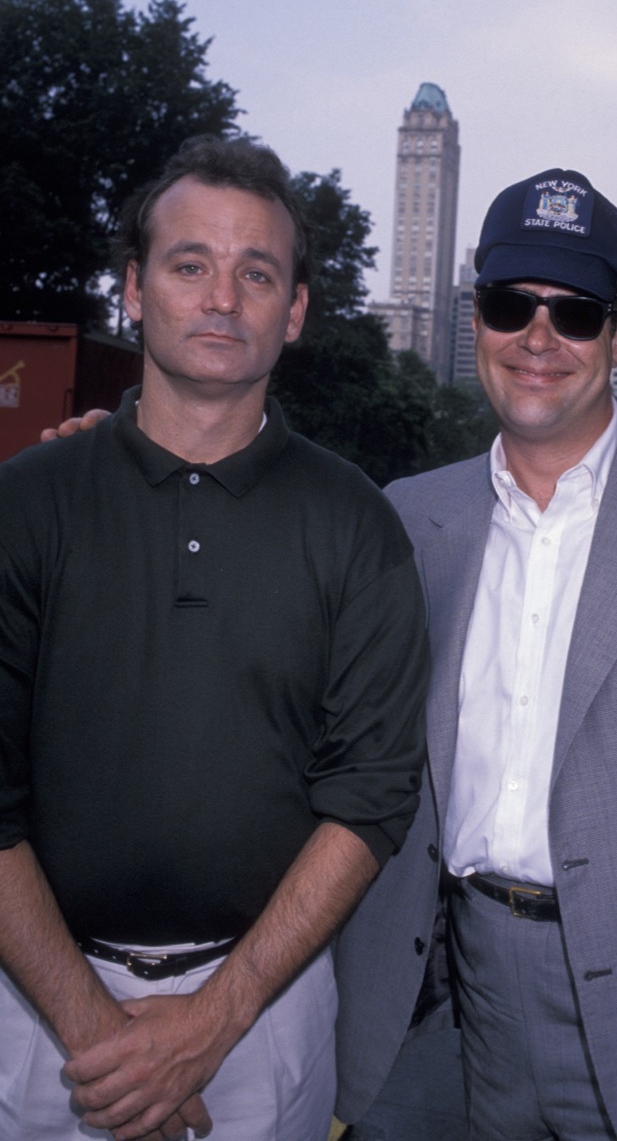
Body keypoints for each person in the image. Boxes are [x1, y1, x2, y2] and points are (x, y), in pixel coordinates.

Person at [343, 167, 617, 1140]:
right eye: (513, 305)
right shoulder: (409, 518)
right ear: (476, 318)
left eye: (575, 313)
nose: (538, 339)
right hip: (470, 999)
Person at [0, 135, 428, 1141]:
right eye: (190, 265)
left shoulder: (356, 523)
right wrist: (99, 1032)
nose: (222, 298)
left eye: (257, 273)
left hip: (262, 1016)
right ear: (134, 291)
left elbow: (370, 793)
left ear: (296, 310)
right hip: (33, 1007)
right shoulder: (24, 506)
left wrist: (207, 1026)